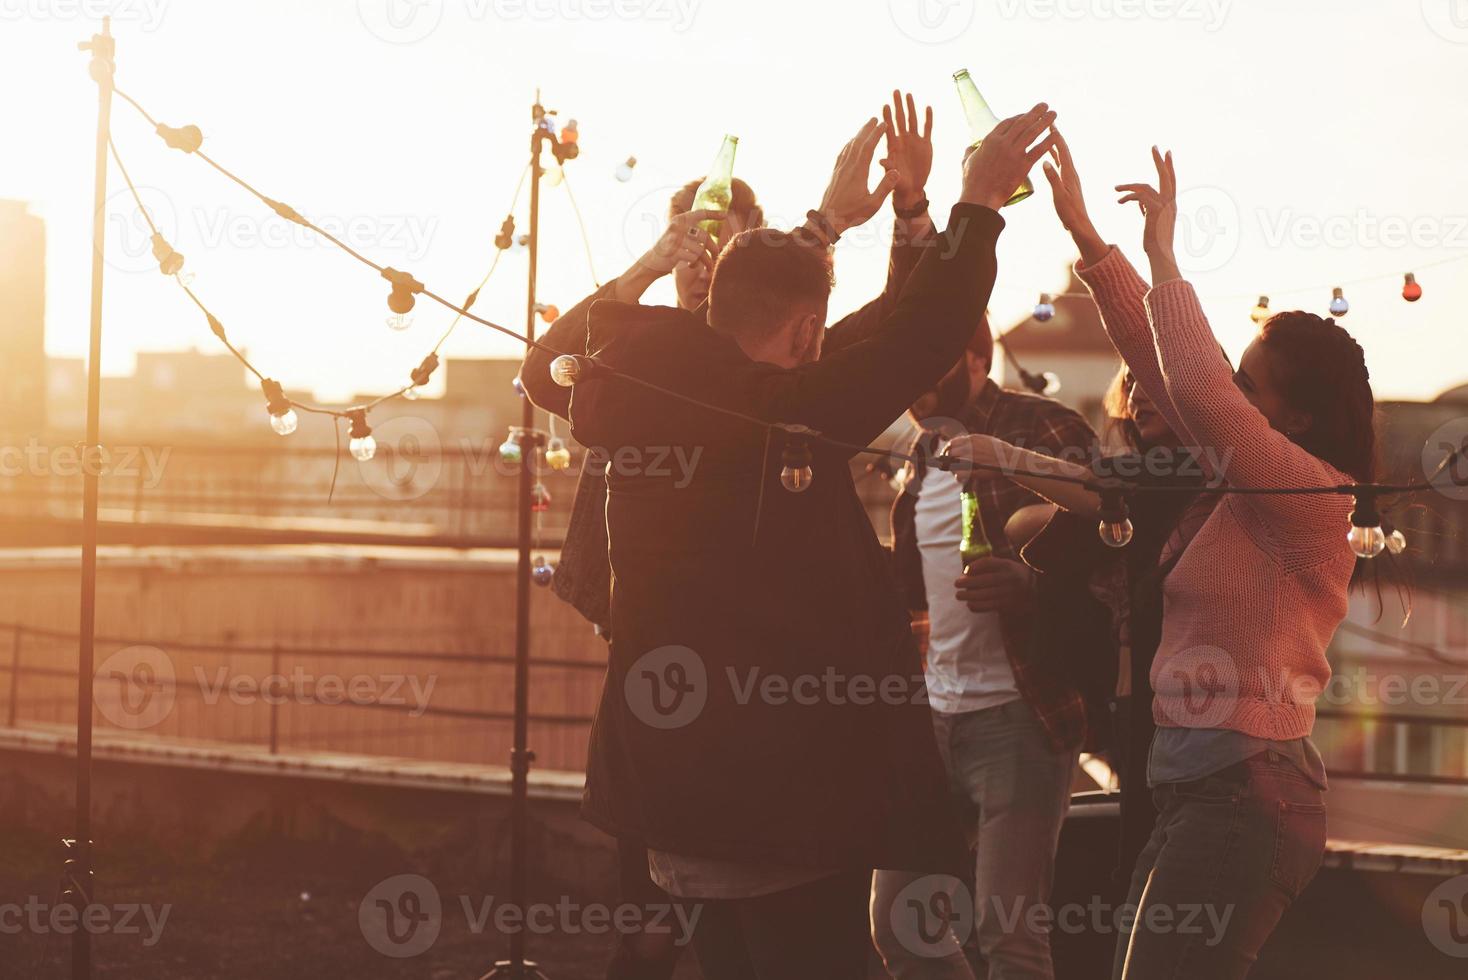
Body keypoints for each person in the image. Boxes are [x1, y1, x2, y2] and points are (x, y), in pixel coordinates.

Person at [566, 106, 1058, 979]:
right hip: (771, 795)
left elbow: (547, 364)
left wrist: (873, 222)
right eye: (813, 339)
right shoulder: (775, 412)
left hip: (668, 779)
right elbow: (914, 341)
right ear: (802, 336)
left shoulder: (633, 379)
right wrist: (977, 204)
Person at [518, 91, 940, 980]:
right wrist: (638, 269)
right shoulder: (637, 363)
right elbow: (545, 372)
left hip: (740, 746)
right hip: (663, 710)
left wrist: (850, 220)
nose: (706, 263)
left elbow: (855, 331)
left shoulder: (780, 390)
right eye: (694, 245)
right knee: (671, 928)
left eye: (725, 246)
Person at [963, 131, 1373, 979]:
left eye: (1250, 385)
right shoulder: (1245, 479)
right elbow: (1162, 367)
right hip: (1202, 790)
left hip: (1244, 794)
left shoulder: (1309, 495)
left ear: (1294, 420)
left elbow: (1196, 386)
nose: (1232, 397)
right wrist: (1090, 239)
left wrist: (1165, 255)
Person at [870, 310, 1099, 980]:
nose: (915, 387)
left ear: (978, 359)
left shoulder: (1043, 427)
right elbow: (915, 588)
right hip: (936, 717)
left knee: (1010, 937)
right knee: (899, 924)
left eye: (933, 367)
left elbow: (1117, 547)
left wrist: (1031, 587)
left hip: (1020, 720)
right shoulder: (920, 451)